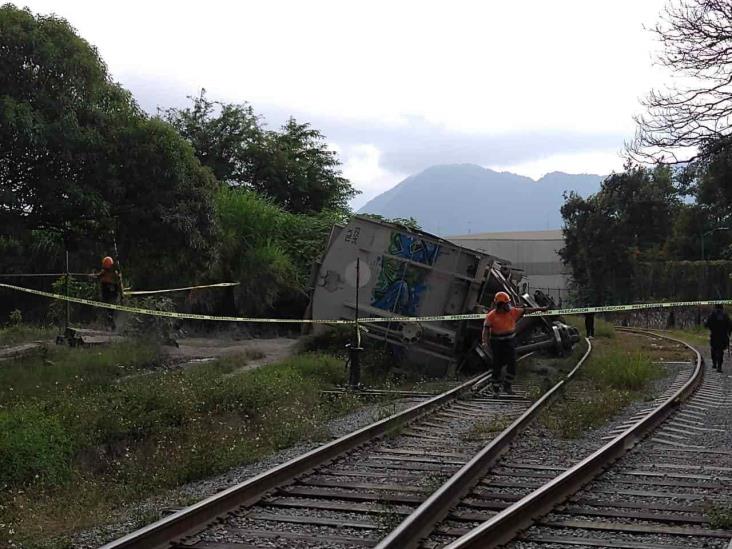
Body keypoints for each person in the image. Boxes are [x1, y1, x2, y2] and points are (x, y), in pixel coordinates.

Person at [482, 292, 548, 395]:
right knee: (497, 365)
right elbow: (485, 330)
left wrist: (541, 309)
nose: (509, 305)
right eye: (506, 304)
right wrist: (485, 342)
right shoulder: (491, 316)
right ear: (500, 305)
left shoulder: (513, 312)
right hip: (497, 343)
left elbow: (527, 310)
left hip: (509, 341)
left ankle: (507, 386)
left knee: (512, 363)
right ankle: (496, 387)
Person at [95, 256, 122, 330]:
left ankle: (111, 325)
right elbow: (98, 276)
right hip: (107, 291)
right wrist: (94, 276)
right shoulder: (104, 272)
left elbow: (119, 283)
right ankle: (110, 324)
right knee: (107, 309)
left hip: (112, 293)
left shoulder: (115, 274)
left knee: (110, 310)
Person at [704, 304, 732, 372]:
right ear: (722, 308)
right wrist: (729, 333)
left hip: (714, 335)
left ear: (715, 307)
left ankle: (714, 363)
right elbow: (730, 325)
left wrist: (707, 325)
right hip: (723, 336)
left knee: (713, 348)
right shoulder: (725, 315)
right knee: (721, 351)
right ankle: (719, 366)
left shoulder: (712, 315)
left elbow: (707, 324)